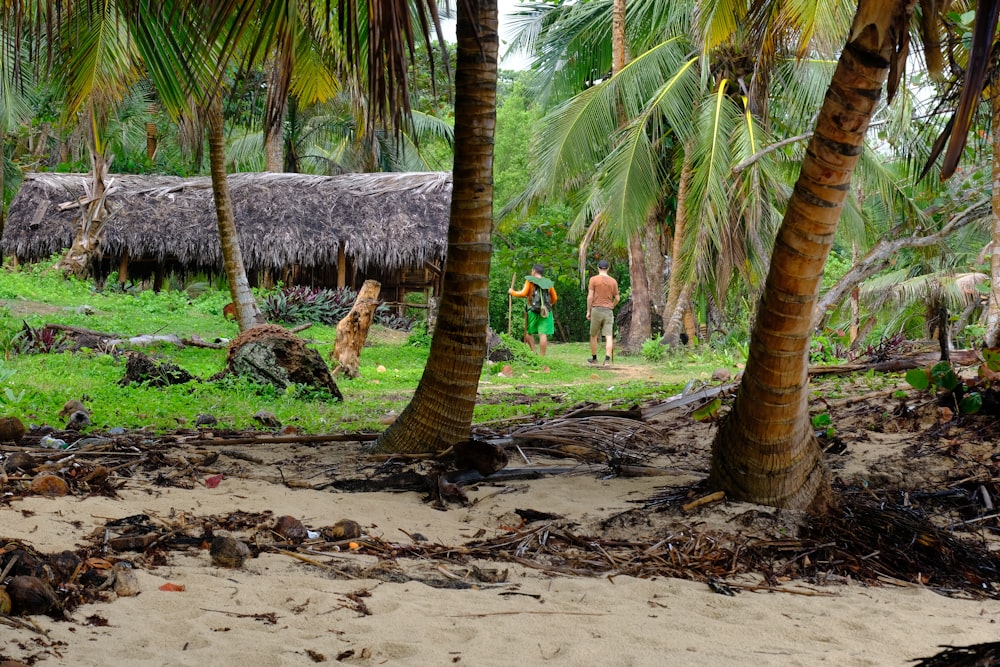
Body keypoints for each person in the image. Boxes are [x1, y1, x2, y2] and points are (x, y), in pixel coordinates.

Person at [509, 264, 558, 356]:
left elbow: (523, 293)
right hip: (545, 312)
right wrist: (547, 305)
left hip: (532, 310)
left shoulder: (530, 281)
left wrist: (512, 292)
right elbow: (554, 298)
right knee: (543, 334)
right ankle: (542, 357)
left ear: (534, 271)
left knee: (528, 332)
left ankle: (533, 352)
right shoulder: (548, 283)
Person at [587, 259, 620, 365]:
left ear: (598, 268)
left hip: (596, 309)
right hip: (608, 311)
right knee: (609, 336)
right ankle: (607, 360)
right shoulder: (613, 281)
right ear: (608, 268)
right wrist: (612, 305)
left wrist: (588, 310)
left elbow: (590, 296)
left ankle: (594, 358)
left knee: (593, 335)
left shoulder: (593, 280)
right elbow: (617, 298)